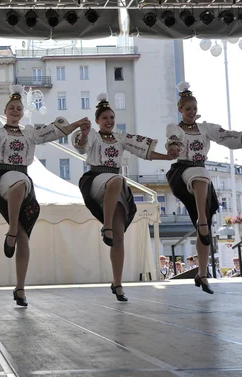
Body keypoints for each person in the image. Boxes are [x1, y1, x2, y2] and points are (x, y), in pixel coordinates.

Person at [0, 84, 90, 307]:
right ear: (5, 112)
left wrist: (77, 124)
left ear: (22, 112)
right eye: (11, 107)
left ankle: (20, 288)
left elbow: (54, 132)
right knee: (19, 182)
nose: (15, 111)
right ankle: (12, 230)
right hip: (3, 177)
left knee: (25, 237)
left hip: (23, 181)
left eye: (18, 108)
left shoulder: (30, 132)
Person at [165, 82, 242, 294]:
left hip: (200, 173)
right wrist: (174, 147)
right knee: (201, 177)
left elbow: (225, 136)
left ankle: (202, 273)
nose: (192, 112)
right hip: (182, 171)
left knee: (205, 228)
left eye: (194, 108)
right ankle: (202, 220)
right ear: (180, 110)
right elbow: (172, 140)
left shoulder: (205, 128)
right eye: (188, 109)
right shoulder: (174, 128)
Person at [73, 93, 172, 301]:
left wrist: (168, 157)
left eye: (112, 117)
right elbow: (81, 145)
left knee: (119, 237)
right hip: (96, 179)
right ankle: (106, 226)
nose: (109, 121)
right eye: (105, 118)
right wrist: (82, 133)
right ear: (98, 121)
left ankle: (117, 284)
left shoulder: (120, 137)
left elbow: (144, 151)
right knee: (117, 180)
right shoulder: (92, 135)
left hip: (114, 190)